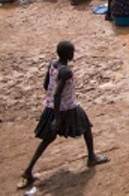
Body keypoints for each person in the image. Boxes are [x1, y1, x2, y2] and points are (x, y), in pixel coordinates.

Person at [18, 41, 109, 189]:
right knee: (86, 127)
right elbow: (57, 94)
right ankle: (91, 157)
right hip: (67, 107)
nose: (74, 54)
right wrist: (58, 118)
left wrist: (54, 109)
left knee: (47, 139)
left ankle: (28, 171)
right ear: (68, 54)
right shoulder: (66, 71)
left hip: (51, 107)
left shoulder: (52, 65)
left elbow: (46, 85)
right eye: (72, 52)